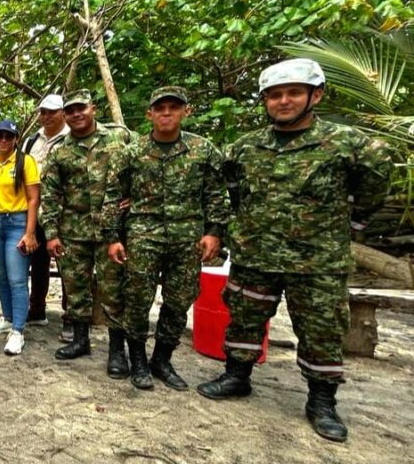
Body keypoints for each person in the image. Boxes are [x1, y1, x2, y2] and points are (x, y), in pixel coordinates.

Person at [197, 59, 392, 443]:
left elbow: (374, 185)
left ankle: (322, 401)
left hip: (317, 258)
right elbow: (233, 192)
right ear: (265, 101)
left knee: (321, 328)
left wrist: (350, 225)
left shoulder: (347, 144)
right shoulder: (246, 147)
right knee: (244, 318)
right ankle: (237, 376)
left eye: (293, 93)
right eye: (275, 95)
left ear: (314, 95)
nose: (283, 101)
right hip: (256, 253)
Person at [103, 87, 229, 390]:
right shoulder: (132, 153)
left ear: (186, 111)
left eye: (174, 107)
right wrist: (112, 237)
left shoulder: (203, 150)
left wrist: (214, 233)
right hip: (143, 237)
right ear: (150, 114)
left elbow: (216, 195)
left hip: (188, 240)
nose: (167, 113)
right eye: (160, 108)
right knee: (137, 301)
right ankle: (139, 360)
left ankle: (162, 359)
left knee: (178, 301)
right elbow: (113, 196)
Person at [41, 90, 133, 372]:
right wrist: (51, 233)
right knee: (76, 289)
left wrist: (137, 197)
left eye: (81, 108)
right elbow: (50, 194)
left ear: (93, 108)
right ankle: (80, 340)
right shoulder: (61, 151)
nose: (77, 114)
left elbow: (142, 169)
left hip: (111, 232)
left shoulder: (120, 138)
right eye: (71, 111)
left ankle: (117, 350)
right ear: (65, 116)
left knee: (113, 290)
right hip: (73, 231)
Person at [0, 120, 40, 356]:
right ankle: (7, 318)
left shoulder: (25, 162)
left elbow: (34, 199)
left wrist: (30, 232)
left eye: (9, 136)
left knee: (17, 278)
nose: (4, 140)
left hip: (18, 221)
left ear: (16, 139)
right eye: (0, 136)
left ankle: (18, 330)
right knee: (2, 276)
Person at [22, 93, 68, 328]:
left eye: (52, 112)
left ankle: (71, 318)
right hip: (36, 210)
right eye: (43, 112)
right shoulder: (31, 141)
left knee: (68, 264)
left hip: (65, 212)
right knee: (37, 261)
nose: (47, 116)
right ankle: (37, 309)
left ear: (63, 112)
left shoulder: (72, 138)